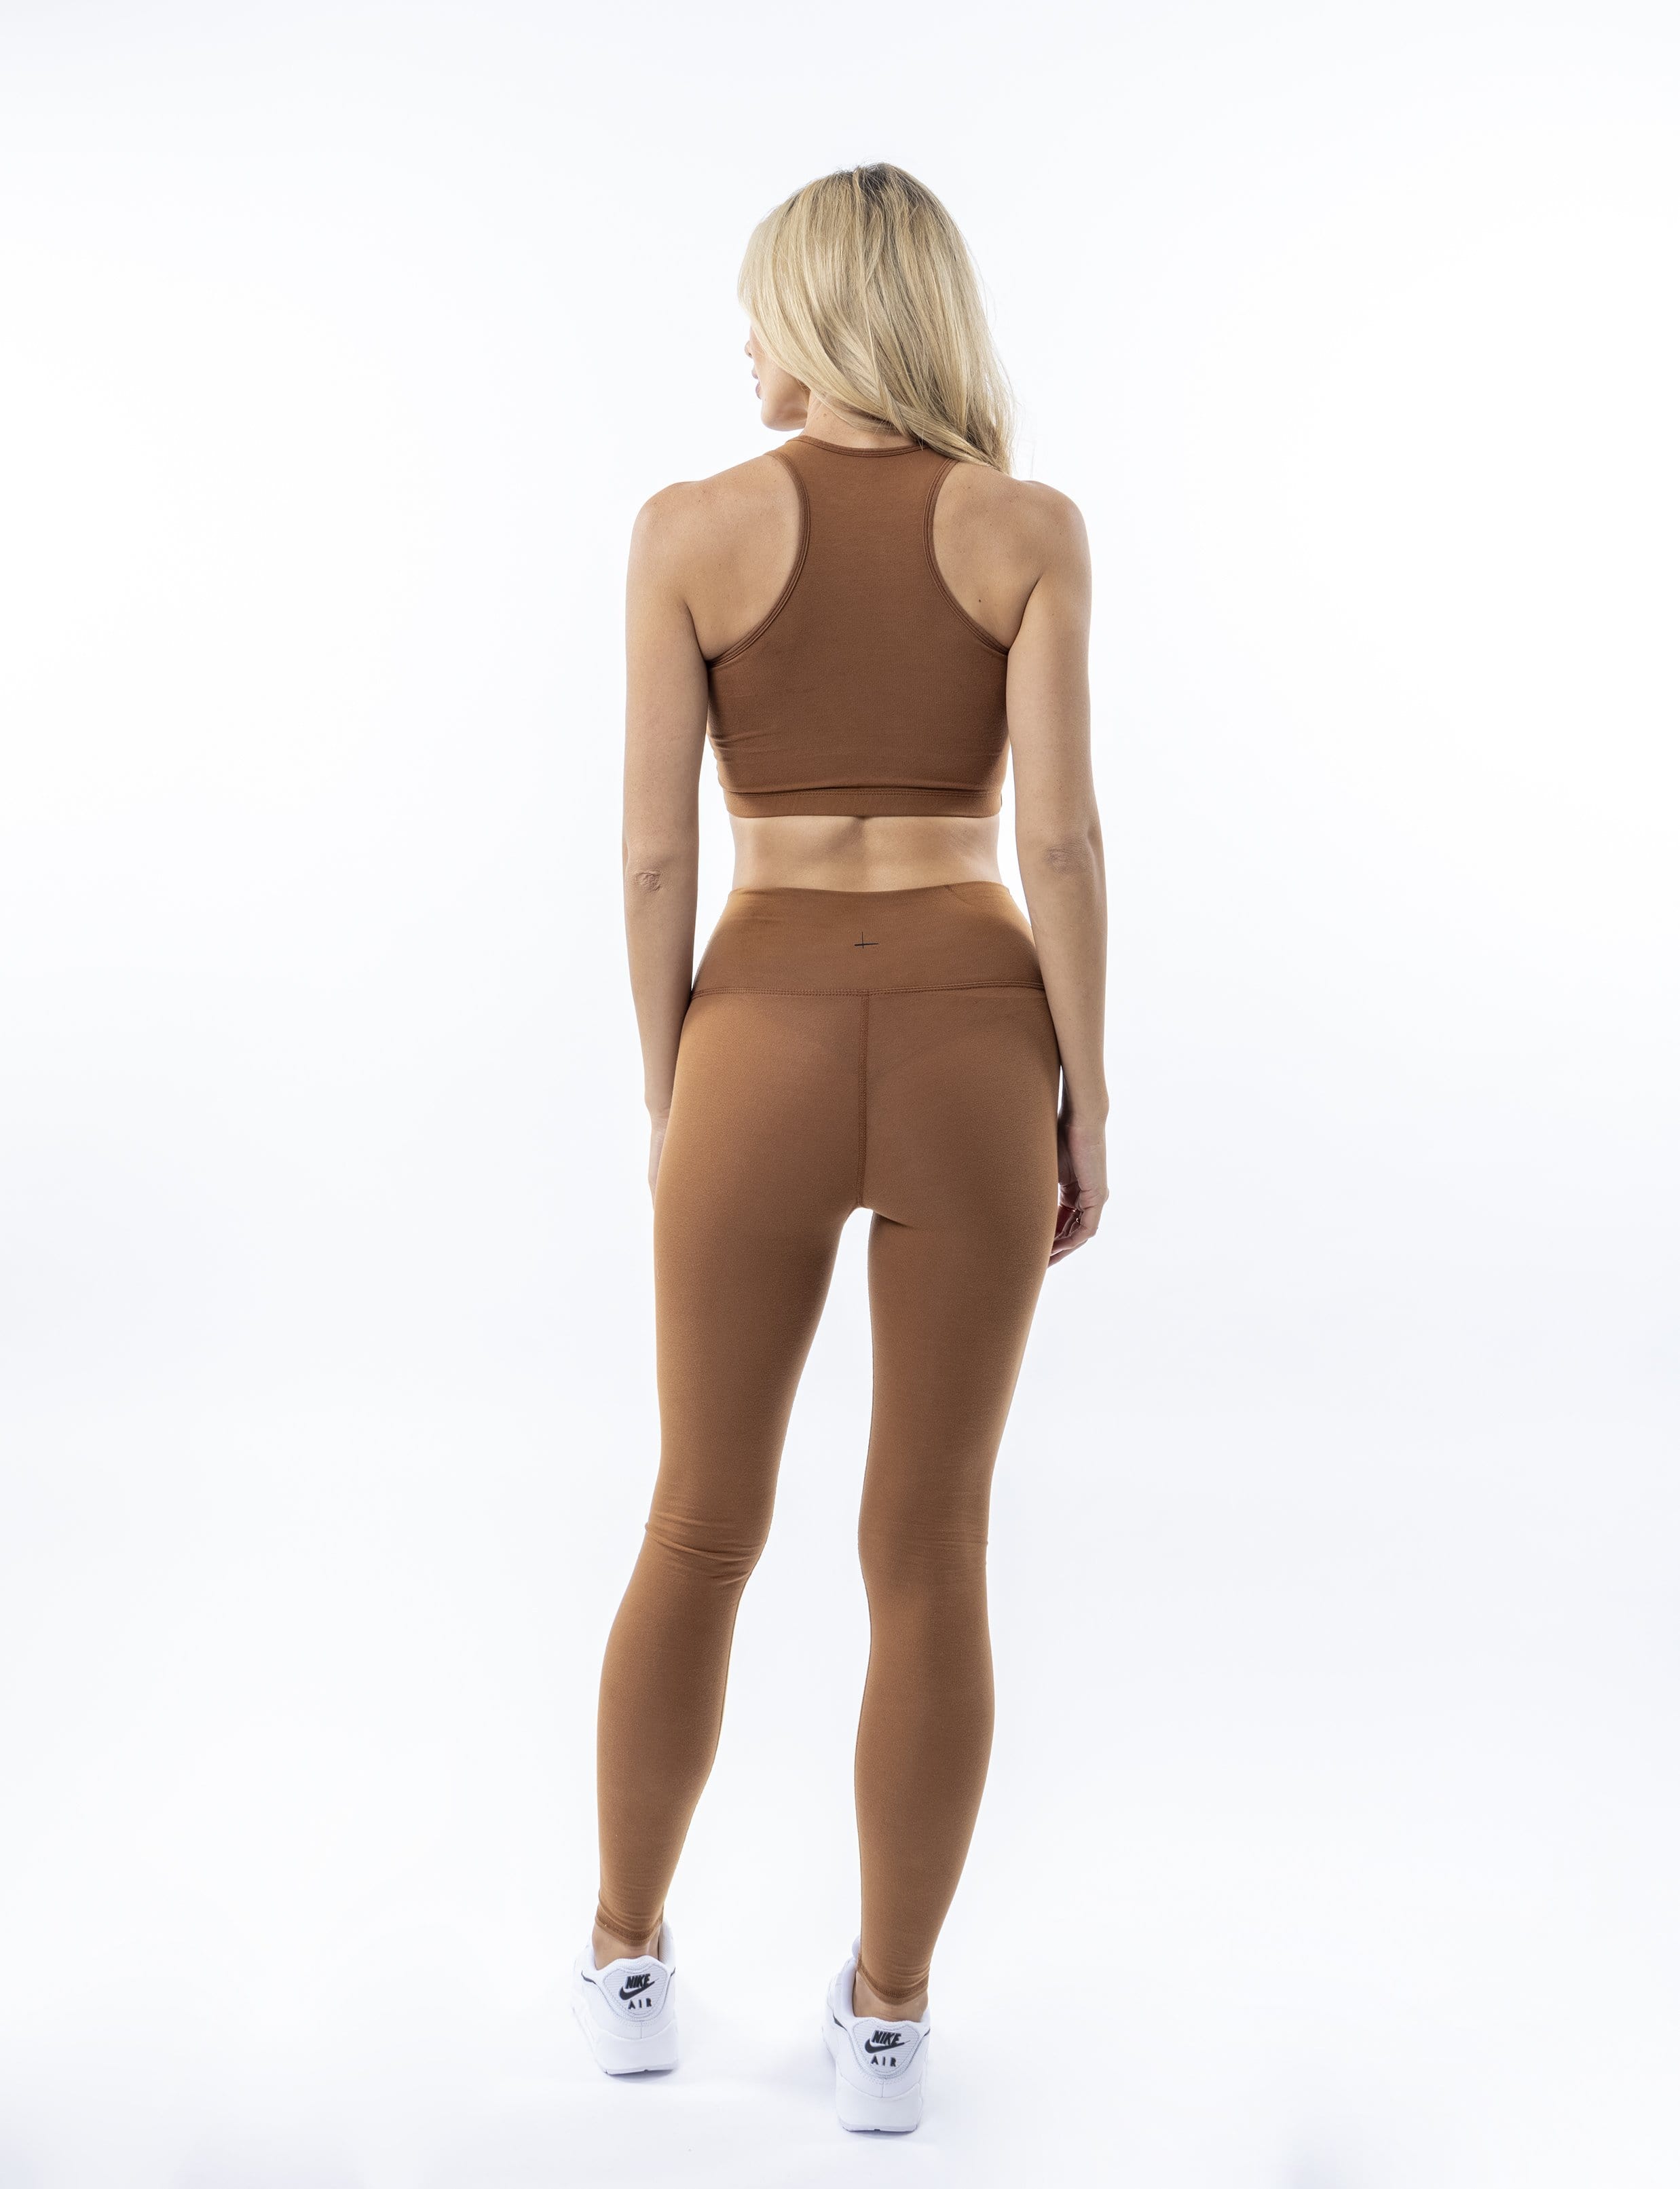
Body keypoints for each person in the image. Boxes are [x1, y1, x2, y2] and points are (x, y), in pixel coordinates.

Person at [570, 162, 1108, 2133]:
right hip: (977, 1035)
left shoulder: (689, 529)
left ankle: (627, 1960)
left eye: (761, 308)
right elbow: (1059, 843)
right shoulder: (1024, 527)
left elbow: (654, 856)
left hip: (761, 1029)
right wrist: (1088, 1088)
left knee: (700, 1523)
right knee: (931, 1543)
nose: (743, 345)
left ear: (820, 311)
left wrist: (675, 1085)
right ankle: (887, 2022)